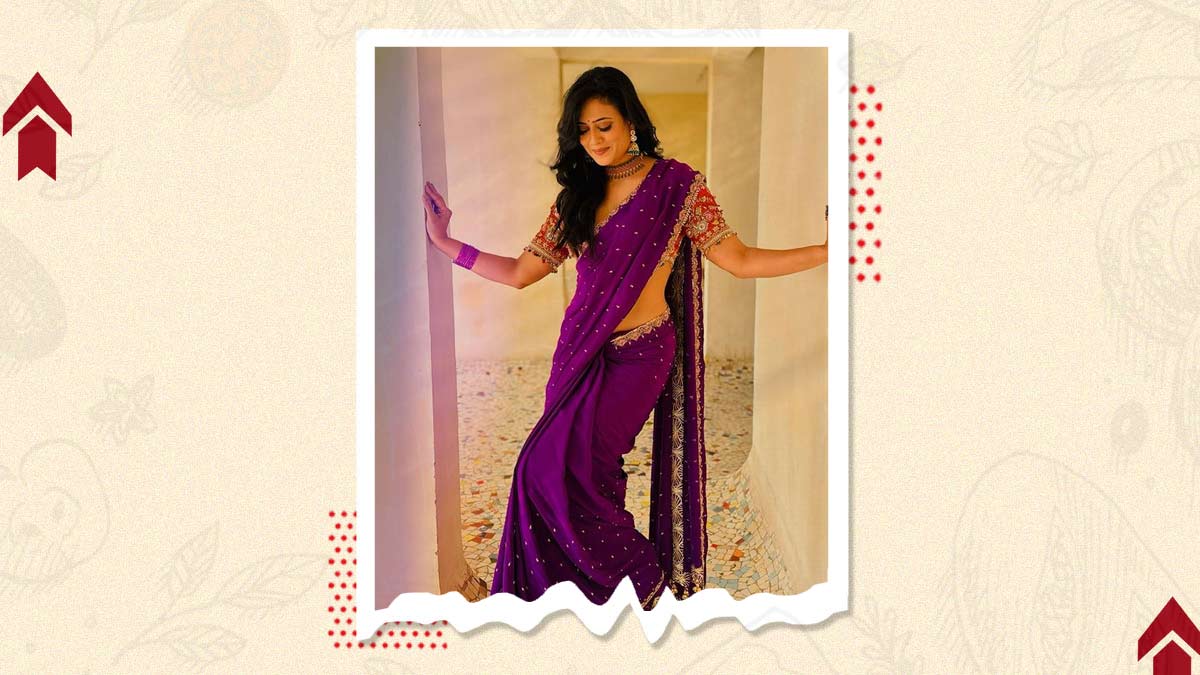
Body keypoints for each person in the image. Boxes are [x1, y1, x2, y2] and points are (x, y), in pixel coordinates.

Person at [421, 66, 828, 610]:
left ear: (631, 120)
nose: (594, 141)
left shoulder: (678, 186)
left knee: (590, 472)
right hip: (579, 354)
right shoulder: (577, 198)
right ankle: (571, 596)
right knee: (542, 469)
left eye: (605, 126)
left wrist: (825, 251)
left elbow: (739, 259)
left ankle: (636, 580)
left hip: (641, 354)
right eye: (583, 131)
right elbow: (521, 272)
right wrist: (448, 244)